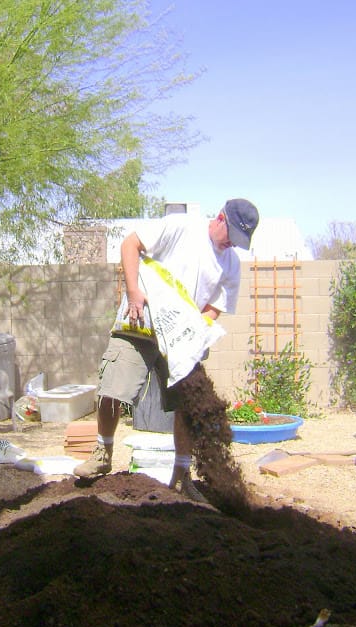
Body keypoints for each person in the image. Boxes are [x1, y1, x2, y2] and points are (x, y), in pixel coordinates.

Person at [74, 198, 259, 501]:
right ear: (221, 218)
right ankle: (102, 453)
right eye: (232, 237)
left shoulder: (231, 264)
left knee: (188, 405)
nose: (232, 246)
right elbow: (130, 245)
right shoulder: (181, 226)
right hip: (141, 321)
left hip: (179, 338)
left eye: (240, 242)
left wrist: (193, 329)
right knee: (112, 386)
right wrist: (133, 292)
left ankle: (182, 476)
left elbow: (215, 308)